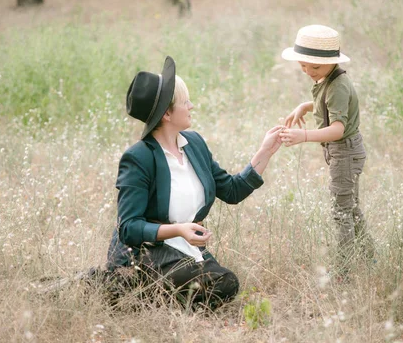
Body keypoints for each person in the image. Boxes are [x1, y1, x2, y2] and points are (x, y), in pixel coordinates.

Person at [105, 56, 283, 310]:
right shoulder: (139, 157)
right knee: (223, 282)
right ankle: (123, 286)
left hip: (181, 247)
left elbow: (232, 191)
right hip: (143, 253)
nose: (192, 105)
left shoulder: (194, 143)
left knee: (224, 284)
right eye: (185, 101)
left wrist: (265, 151)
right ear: (167, 113)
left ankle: (140, 296)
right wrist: (178, 230)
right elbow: (129, 229)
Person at [278, 25, 374, 278]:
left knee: (341, 211)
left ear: (331, 62)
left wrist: (304, 136)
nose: (309, 72)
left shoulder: (339, 85)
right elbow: (326, 104)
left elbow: (337, 129)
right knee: (350, 207)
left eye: (315, 67)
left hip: (344, 150)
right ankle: (369, 257)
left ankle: (344, 271)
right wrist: (304, 106)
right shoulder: (328, 80)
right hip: (341, 152)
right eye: (303, 66)